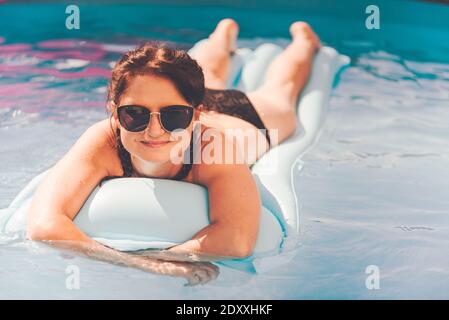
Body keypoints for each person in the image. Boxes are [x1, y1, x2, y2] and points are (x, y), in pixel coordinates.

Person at [26, 19, 320, 285]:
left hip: (246, 118)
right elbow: (44, 224)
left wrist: (165, 258)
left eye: (174, 117)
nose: (154, 130)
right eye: (136, 115)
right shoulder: (105, 140)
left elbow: (237, 240)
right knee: (207, 75)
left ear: (195, 116)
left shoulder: (211, 147)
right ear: (114, 114)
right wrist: (140, 263)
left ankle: (304, 43)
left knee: (283, 88)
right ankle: (223, 34)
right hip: (183, 97)